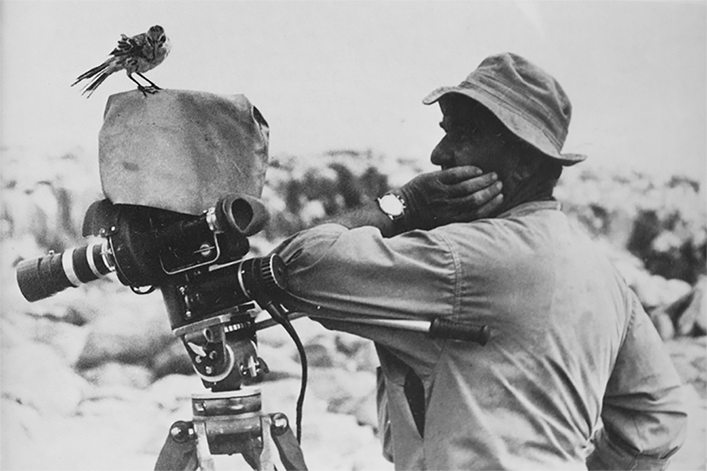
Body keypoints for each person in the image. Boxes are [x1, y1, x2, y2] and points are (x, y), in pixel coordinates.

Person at [274, 53, 687, 471]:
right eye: (445, 132)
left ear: (524, 160)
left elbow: (294, 268)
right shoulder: (602, 273)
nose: (440, 154)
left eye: (464, 134)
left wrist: (407, 204)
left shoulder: (465, 257)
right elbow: (656, 421)